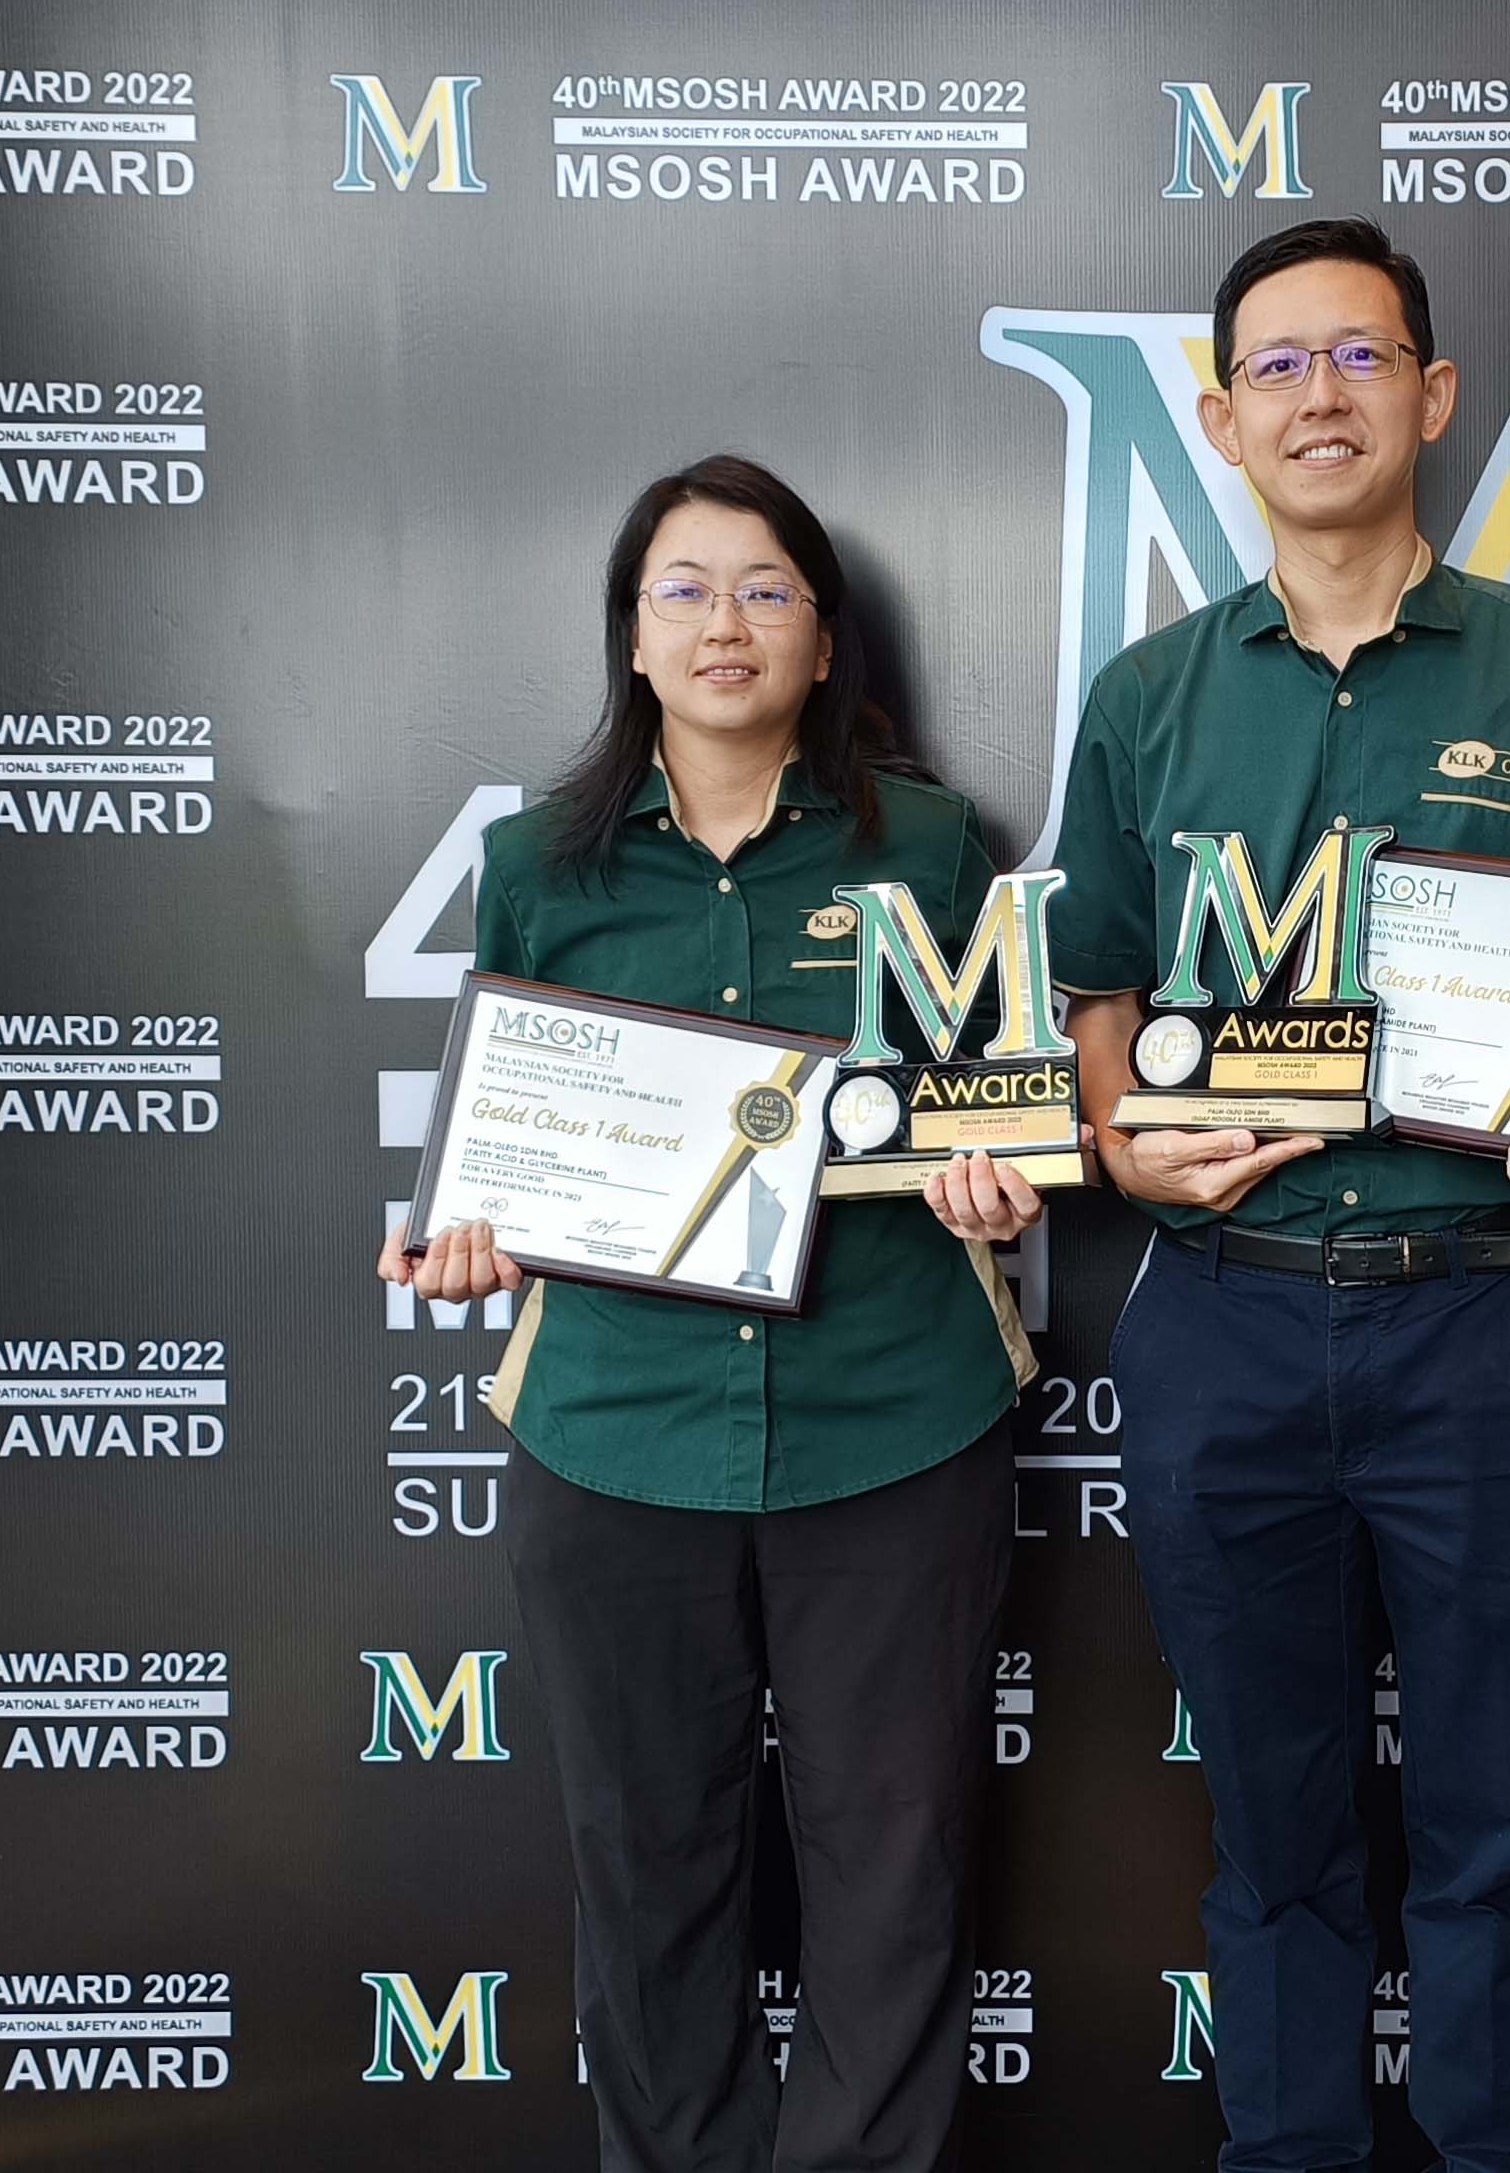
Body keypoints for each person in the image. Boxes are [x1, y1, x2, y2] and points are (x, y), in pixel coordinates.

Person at [1047, 219, 1510, 2173]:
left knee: (1495, 1829)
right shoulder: (1147, 696)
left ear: (1433, 394)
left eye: (1359, 357)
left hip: (1483, 1309)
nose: (1318, 397)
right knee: (1271, 1836)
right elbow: (1099, 999)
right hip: (1222, 1319)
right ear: (1220, 418)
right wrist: (1120, 1138)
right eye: (1278, 365)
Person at [375, 455, 1057, 2173]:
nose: (724, 623)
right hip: (617, 1435)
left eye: (766, 589)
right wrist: (475, 1237)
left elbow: (999, 1107)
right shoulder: (538, 865)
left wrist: (1002, 1186)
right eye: (681, 590)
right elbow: (509, 1141)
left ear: (825, 638)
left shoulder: (933, 848)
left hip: (895, 1425)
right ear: (631, 636)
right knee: (648, 1866)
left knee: (893, 1871)